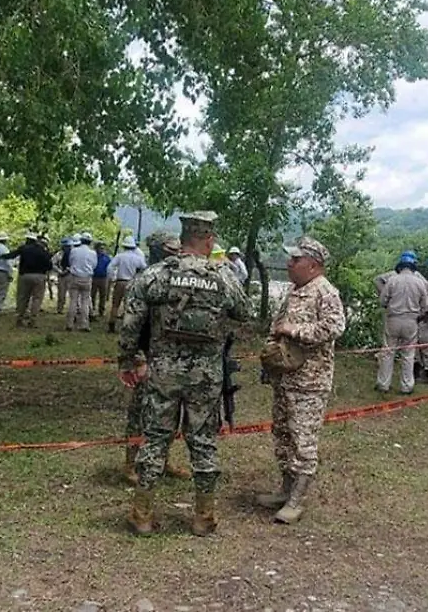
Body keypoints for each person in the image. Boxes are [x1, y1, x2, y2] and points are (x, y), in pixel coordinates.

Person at [118, 211, 254, 537]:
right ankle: (203, 517)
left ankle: (142, 515)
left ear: (183, 239)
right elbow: (245, 312)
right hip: (205, 375)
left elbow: (130, 324)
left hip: (162, 371)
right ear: (209, 240)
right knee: (204, 441)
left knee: (155, 440)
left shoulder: (156, 274)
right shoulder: (223, 277)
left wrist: (131, 360)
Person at [255, 236, 345, 524]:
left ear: (314, 265)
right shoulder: (295, 290)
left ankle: (297, 500)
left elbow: (334, 326)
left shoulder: (325, 291)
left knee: (302, 440)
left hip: (309, 382)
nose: (289, 263)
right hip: (286, 377)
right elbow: (277, 327)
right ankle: (285, 489)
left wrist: (294, 330)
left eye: (296, 260)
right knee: (283, 435)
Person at [119, 229, 191, 485]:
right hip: (147, 358)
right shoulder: (143, 281)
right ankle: (130, 463)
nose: (175, 255)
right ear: (157, 251)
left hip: (172, 360)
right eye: (169, 250)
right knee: (139, 413)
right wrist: (135, 360)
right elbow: (131, 327)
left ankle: (164, 460)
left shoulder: (179, 281)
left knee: (169, 414)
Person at [376, 252, 428, 395]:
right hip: (411, 321)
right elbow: (425, 305)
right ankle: (407, 386)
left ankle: (383, 384)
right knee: (408, 354)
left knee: (387, 352)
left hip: (393, 319)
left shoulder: (393, 280)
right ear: (413, 266)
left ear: (400, 266)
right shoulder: (420, 282)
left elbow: (382, 301)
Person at [1, 233, 53, 328]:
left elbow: (12, 255)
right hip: (39, 276)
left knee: (22, 298)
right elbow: (49, 265)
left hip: (24, 276)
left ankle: (19, 319)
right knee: (37, 299)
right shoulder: (42, 250)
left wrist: (1, 256)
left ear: (27, 240)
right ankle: (33, 320)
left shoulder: (23, 248)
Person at [107, 236, 147, 333]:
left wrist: (112, 278)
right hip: (131, 283)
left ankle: (112, 324)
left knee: (115, 304)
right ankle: (126, 325)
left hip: (120, 282)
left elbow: (110, 267)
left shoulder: (119, 256)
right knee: (128, 305)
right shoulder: (137, 258)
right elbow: (145, 268)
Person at [65, 233, 97, 331]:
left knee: (73, 301)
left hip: (75, 277)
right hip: (87, 278)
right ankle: (84, 324)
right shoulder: (93, 253)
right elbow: (94, 265)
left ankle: (69, 324)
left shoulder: (74, 251)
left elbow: (71, 262)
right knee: (85, 301)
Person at [52, 237, 76, 314]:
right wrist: (59, 271)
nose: (68, 248)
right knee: (61, 294)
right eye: (66, 246)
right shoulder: (58, 254)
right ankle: (60, 309)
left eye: (69, 246)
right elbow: (53, 263)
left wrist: (69, 269)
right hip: (61, 275)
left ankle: (74, 309)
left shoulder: (74, 254)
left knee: (73, 294)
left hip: (71, 275)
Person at [92, 241, 112, 319]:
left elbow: (110, 267)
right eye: (100, 248)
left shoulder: (107, 258)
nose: (102, 250)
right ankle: (92, 309)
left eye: (103, 248)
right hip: (94, 277)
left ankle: (101, 310)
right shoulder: (93, 256)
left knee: (103, 295)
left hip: (104, 278)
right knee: (92, 295)